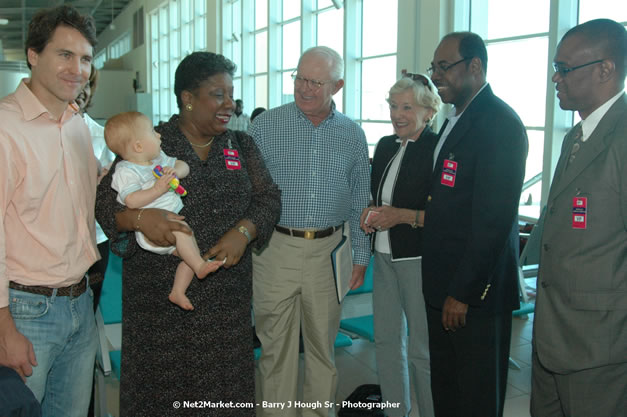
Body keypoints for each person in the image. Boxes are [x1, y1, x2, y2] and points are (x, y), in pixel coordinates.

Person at [95, 51, 281, 416]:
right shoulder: (148, 143)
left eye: (232, 95)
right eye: (218, 95)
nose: (229, 104)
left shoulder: (241, 147)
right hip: (160, 316)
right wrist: (139, 219)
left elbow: (268, 198)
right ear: (188, 98)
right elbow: (106, 205)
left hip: (226, 313)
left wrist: (244, 232)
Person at [250, 46, 371, 417]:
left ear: (337, 85)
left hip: (329, 254)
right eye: (299, 78)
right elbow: (248, 195)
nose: (304, 88)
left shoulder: (353, 134)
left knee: (323, 349)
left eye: (315, 82)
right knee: (276, 352)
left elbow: (360, 203)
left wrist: (361, 257)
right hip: (274, 251)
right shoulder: (265, 126)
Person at [421, 32, 528, 417]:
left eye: (444, 67)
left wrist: (463, 293)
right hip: (444, 284)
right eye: (433, 68)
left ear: (475, 66)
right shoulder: (456, 118)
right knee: (448, 389)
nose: (436, 75)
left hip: (473, 295)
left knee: (476, 397)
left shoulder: (499, 123)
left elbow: (493, 221)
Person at [0, 5, 100, 417]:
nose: (77, 68)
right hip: (26, 311)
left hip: (81, 303)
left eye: (86, 58)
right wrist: (4, 327)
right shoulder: (6, 128)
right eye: (64, 54)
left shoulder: (77, 124)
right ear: (33, 55)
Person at [531, 19, 627, 417]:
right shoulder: (576, 136)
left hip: (599, 345)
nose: (556, 77)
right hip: (552, 333)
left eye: (566, 68)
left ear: (605, 70)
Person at [360, 73, 440, 417]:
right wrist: (371, 211)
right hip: (384, 255)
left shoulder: (437, 148)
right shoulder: (386, 144)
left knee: (422, 349)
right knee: (386, 341)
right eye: (394, 106)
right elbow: (378, 196)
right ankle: (396, 412)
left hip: (417, 258)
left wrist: (400, 216)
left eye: (407, 107)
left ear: (428, 111)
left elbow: (443, 213)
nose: (398, 114)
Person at [105, 111, 224, 310]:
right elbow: (132, 201)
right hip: (154, 230)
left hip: (174, 225)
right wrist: (157, 189)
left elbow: (184, 165)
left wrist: (176, 170)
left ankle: (178, 291)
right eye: (152, 132)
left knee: (192, 255)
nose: (159, 135)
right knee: (188, 243)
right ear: (138, 146)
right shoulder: (126, 171)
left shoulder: (158, 159)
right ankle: (199, 268)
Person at [76, 65, 116, 311]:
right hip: (52, 242)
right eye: (78, 81)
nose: (83, 90)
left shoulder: (103, 137)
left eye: (88, 83)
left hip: (95, 238)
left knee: (88, 311)